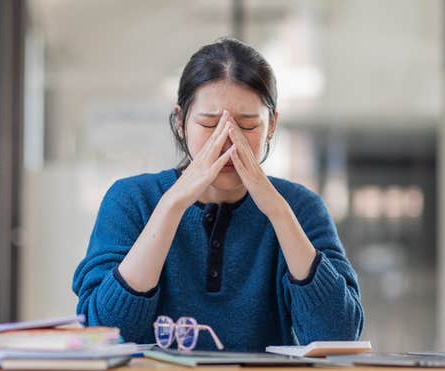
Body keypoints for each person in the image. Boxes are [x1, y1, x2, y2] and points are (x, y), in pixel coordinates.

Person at [72, 38, 363, 352]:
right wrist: (172, 206)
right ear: (181, 122)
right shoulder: (130, 200)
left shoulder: (301, 207)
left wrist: (278, 212)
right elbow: (104, 331)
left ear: (272, 125)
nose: (228, 142)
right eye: (210, 124)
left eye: (248, 126)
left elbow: (339, 336)